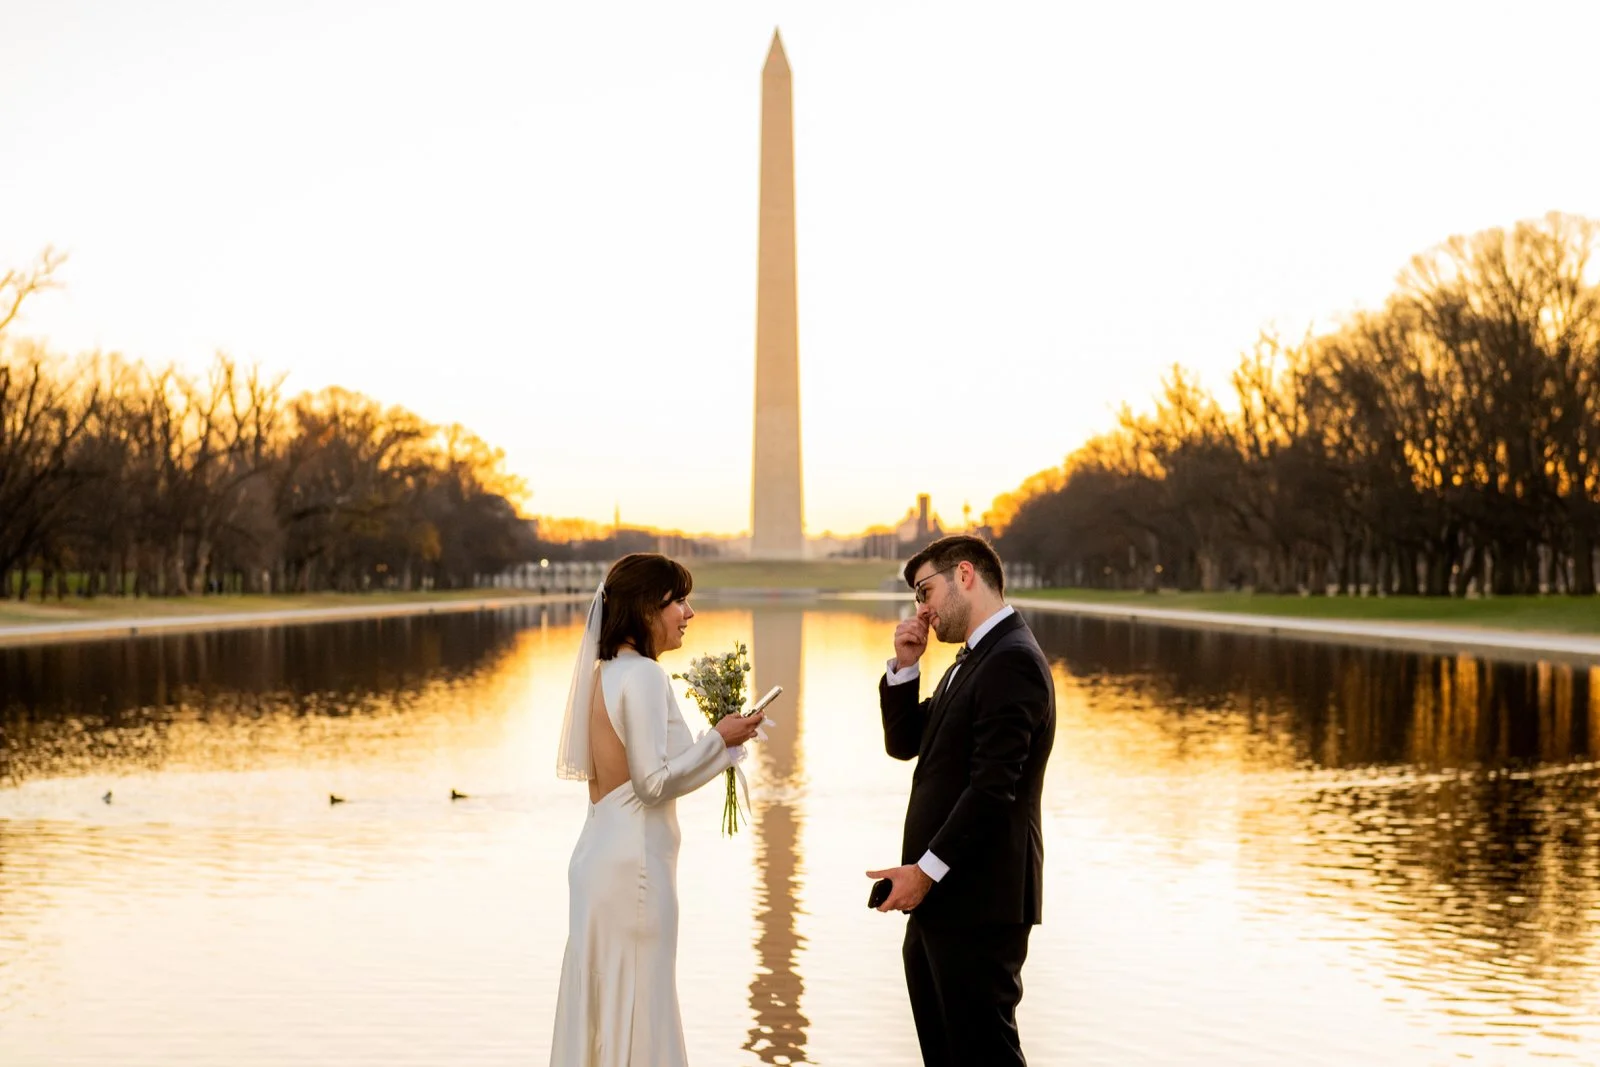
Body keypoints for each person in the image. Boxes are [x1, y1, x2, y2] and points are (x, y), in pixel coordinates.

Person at [549, 553, 767, 1067]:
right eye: (679, 601)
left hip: (598, 860)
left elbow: (637, 776)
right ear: (648, 607)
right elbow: (651, 784)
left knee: (604, 1004)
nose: (689, 613)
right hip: (636, 872)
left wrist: (722, 747)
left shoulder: (603, 673)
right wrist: (720, 738)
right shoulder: (645, 675)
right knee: (643, 1004)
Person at [867, 534, 1056, 1067]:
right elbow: (906, 744)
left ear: (965, 575)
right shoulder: (970, 660)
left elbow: (994, 789)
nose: (921, 610)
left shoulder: (1011, 660)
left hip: (978, 901)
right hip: (941, 901)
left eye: (925, 591)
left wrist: (924, 873)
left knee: (984, 1055)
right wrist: (905, 666)